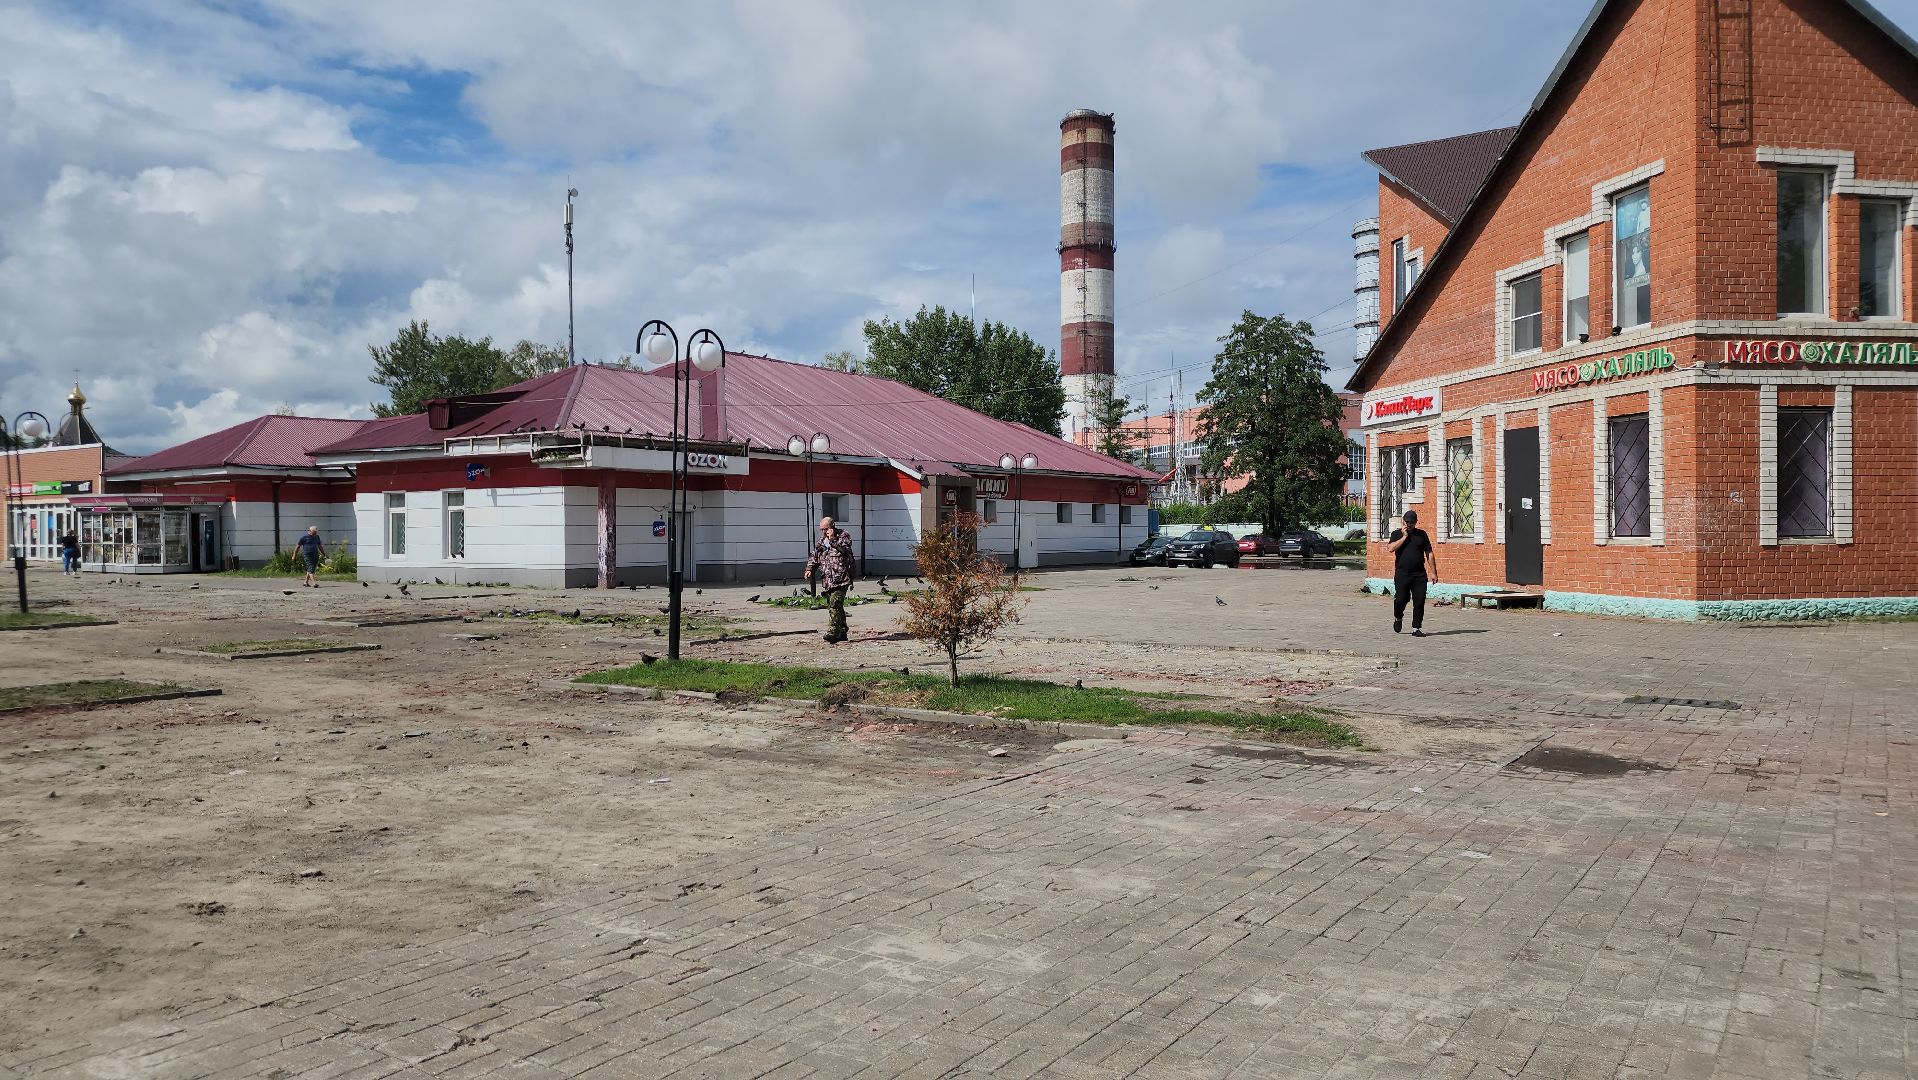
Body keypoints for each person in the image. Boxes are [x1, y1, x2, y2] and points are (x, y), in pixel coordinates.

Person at [802, 516, 856, 644]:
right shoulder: (821, 541)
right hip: (828, 579)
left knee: (835, 604)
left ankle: (832, 632)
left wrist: (832, 539)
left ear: (832, 527)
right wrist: (809, 568)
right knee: (835, 606)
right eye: (821, 529)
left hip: (842, 577)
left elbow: (845, 550)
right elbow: (815, 556)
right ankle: (842, 631)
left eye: (826, 529)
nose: (824, 532)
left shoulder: (844, 536)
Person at [1387, 509, 1439, 637]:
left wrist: (1434, 572)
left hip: (1419, 575)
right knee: (1401, 599)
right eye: (1407, 522)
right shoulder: (1396, 534)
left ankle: (1416, 628)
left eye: (1411, 522)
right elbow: (1390, 549)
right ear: (1402, 521)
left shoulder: (1421, 535)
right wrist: (1404, 537)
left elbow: (1429, 554)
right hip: (1402, 574)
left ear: (1416, 522)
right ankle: (1398, 617)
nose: (1408, 524)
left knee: (1419, 601)